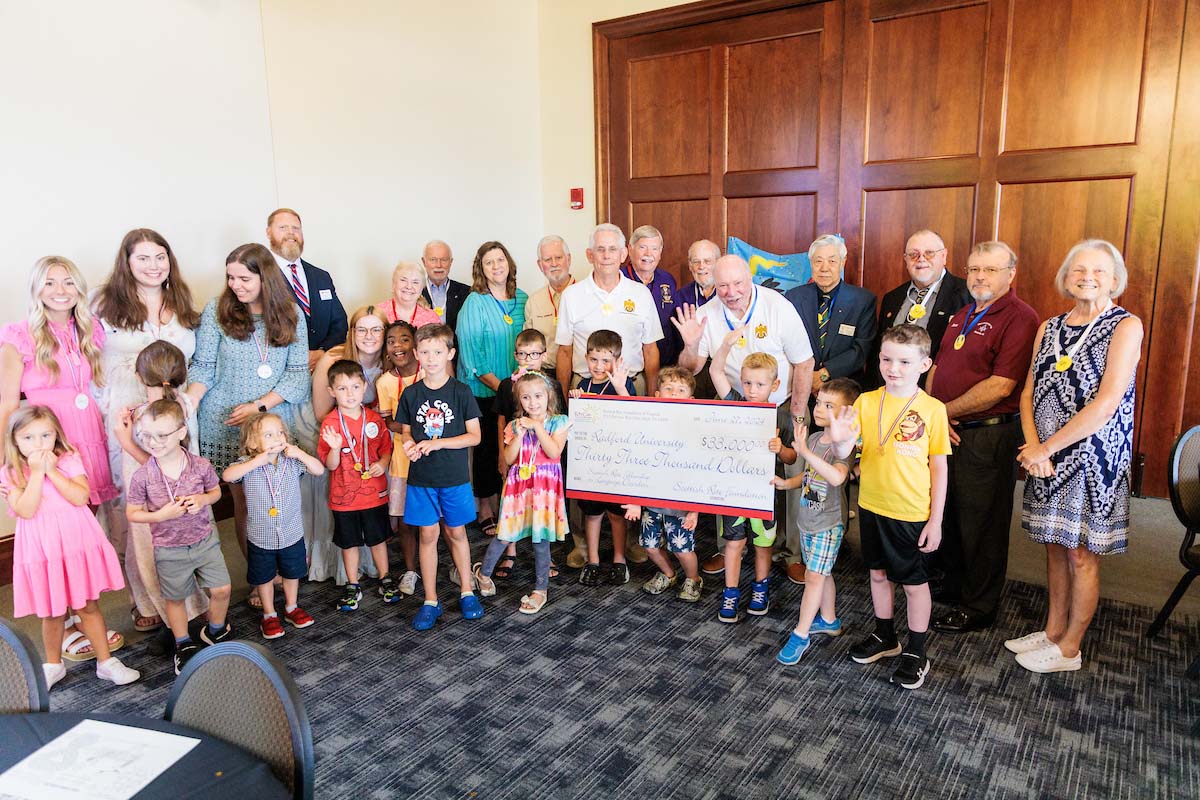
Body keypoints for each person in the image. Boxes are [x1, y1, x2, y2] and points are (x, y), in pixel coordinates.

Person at [1007, 240, 1141, 674]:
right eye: (1079, 269)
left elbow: (1105, 405)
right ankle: (1050, 631)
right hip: (1044, 458)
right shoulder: (1050, 326)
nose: (1088, 276)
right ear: (1065, 276)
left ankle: (1070, 647)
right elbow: (1028, 393)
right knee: (1053, 544)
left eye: (1099, 271)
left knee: (1081, 553)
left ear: (1115, 279)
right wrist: (1033, 449)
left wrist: (1046, 448)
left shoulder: (1125, 325)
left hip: (1092, 458)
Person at [1, 256, 123, 661]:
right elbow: (6, 403)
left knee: (80, 524)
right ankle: (66, 620)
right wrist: (9, 456)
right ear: (36, 288)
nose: (60, 290)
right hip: (44, 439)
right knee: (50, 531)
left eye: (68, 282)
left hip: (84, 436)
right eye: (50, 282)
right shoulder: (19, 337)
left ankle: (83, 609)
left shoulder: (89, 330)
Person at [826, 325, 950, 691]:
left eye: (904, 361)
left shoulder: (932, 409)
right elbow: (846, 452)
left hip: (911, 511)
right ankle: (885, 636)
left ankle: (916, 649)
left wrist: (936, 520)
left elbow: (939, 467)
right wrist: (839, 439)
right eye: (886, 359)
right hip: (872, 505)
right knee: (878, 574)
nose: (893, 368)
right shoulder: (865, 401)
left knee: (913, 583)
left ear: (924, 363)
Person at [674, 254, 814, 575]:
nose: (731, 291)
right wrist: (692, 345)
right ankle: (729, 548)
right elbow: (691, 369)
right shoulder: (707, 313)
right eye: (722, 285)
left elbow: (804, 363)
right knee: (730, 474)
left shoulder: (778, 307)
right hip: (736, 406)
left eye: (737, 283)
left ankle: (792, 554)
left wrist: (796, 414)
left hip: (782, 403)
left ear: (750, 280)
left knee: (793, 475)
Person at [927, 242, 1038, 634]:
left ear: (1011, 273)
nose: (978, 277)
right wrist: (933, 411)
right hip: (951, 431)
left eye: (989, 270)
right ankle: (956, 588)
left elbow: (1000, 385)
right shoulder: (963, 313)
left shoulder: (1021, 318)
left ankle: (979, 606)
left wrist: (942, 412)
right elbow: (937, 367)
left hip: (987, 436)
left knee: (982, 523)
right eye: (973, 269)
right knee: (954, 515)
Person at [93, 228, 200, 633]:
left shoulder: (184, 304)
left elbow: (199, 361)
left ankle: (190, 594)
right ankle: (144, 597)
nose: (154, 266)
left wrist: (190, 400)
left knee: (179, 496)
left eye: (160, 257)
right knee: (137, 506)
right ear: (127, 262)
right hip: (128, 416)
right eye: (143, 258)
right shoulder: (105, 306)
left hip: (177, 413)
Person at [3, 405, 140, 688]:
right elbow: (26, 509)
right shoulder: (12, 472)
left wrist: (52, 472)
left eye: (45, 435)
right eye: (28, 438)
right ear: (15, 440)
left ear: (56, 435)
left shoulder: (68, 458)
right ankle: (53, 665)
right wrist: (37, 474)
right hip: (44, 550)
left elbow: (79, 497)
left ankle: (106, 662)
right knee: (52, 612)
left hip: (76, 544)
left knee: (87, 606)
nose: (38, 444)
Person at [188, 244, 310, 558]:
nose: (235, 285)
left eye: (244, 278)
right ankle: (258, 576)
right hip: (224, 421)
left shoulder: (290, 313)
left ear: (264, 277)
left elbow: (297, 374)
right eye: (230, 278)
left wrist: (258, 406)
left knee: (277, 495)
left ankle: (284, 561)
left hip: (269, 423)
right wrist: (188, 402)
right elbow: (203, 365)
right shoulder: (217, 310)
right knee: (244, 501)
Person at [781, 234, 876, 584]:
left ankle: (833, 540)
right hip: (800, 396)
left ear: (843, 261)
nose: (824, 267)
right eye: (818, 261)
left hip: (839, 400)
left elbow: (861, 350)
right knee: (804, 461)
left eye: (831, 260)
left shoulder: (863, 299)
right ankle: (796, 550)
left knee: (838, 462)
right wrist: (806, 379)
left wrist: (824, 375)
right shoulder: (794, 297)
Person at [111, 341, 210, 641]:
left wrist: (126, 441)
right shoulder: (182, 407)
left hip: (152, 503)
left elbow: (160, 466)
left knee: (152, 559)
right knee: (185, 554)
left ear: (140, 378)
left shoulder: (147, 419)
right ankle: (192, 612)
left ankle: (173, 621)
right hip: (184, 499)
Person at [126, 399, 231, 675]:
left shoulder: (200, 465)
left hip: (204, 540)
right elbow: (133, 513)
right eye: (146, 435)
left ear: (182, 433)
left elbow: (216, 492)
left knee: (222, 589)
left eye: (162, 435)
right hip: (169, 548)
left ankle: (215, 630)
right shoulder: (143, 476)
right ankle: (183, 644)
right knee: (175, 600)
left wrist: (203, 499)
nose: (154, 442)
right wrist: (159, 516)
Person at [396, 324, 485, 630]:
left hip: (454, 478)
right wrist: (409, 446)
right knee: (428, 536)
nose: (431, 358)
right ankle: (430, 600)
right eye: (425, 352)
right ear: (417, 354)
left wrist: (438, 443)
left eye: (438, 352)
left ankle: (467, 591)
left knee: (457, 533)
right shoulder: (411, 394)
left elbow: (474, 436)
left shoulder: (461, 391)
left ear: (450, 354)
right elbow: (406, 433)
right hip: (422, 480)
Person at [772, 378, 861, 665]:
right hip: (808, 521)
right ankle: (830, 620)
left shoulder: (843, 447)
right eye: (819, 401)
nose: (819, 408)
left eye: (828, 405)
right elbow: (811, 476)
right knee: (821, 573)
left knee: (813, 578)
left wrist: (807, 453)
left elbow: (836, 477)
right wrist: (787, 484)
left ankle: (800, 635)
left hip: (828, 524)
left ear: (847, 412)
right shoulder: (813, 438)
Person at [709, 336, 796, 622]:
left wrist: (779, 448)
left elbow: (792, 458)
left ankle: (761, 589)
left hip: (765, 494)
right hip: (734, 491)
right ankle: (730, 592)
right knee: (733, 543)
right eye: (747, 383)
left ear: (774, 386)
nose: (752, 390)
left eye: (760, 384)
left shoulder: (781, 418)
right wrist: (725, 345)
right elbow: (714, 372)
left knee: (763, 544)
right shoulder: (735, 403)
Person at [473, 370, 571, 614]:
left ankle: (541, 590)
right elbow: (507, 457)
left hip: (544, 490)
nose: (533, 403)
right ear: (520, 402)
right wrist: (519, 433)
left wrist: (537, 427)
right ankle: (483, 574)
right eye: (526, 398)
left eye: (538, 396)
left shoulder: (559, 422)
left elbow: (553, 452)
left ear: (548, 396)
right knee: (504, 534)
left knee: (541, 539)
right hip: (519, 488)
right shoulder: (514, 425)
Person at [303, 305, 389, 584]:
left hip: (373, 444)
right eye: (361, 329)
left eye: (376, 329)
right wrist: (342, 441)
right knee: (346, 529)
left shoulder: (389, 361)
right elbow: (321, 413)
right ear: (352, 333)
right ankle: (346, 576)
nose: (369, 335)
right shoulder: (334, 359)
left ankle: (381, 572)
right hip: (339, 445)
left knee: (376, 528)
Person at [223, 412, 325, 640]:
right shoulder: (247, 466)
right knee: (264, 576)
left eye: (280, 432)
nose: (277, 438)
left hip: (291, 533)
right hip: (261, 536)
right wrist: (255, 461)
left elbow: (318, 469)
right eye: (268, 435)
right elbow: (228, 475)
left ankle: (291, 607)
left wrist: (298, 452)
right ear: (252, 442)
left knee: (292, 573)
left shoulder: (292, 462)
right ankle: (269, 614)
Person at [455, 241, 528, 534]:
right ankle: (485, 507)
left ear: (509, 263)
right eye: (489, 262)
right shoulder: (474, 302)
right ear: (480, 269)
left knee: (517, 449)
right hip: (484, 391)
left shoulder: (523, 299)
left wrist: (520, 390)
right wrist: (505, 391)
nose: (496, 266)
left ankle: (511, 506)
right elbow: (473, 358)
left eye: (500, 260)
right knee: (487, 451)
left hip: (519, 392)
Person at [317, 359, 395, 612]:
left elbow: (386, 450)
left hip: (374, 494)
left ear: (364, 387)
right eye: (342, 388)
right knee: (348, 542)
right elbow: (329, 465)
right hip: (344, 497)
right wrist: (336, 447)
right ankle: (352, 584)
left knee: (378, 539)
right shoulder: (330, 423)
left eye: (354, 387)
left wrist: (382, 464)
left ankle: (385, 577)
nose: (349, 394)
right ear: (331, 391)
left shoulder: (373, 418)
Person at [622, 366, 703, 603]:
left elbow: (701, 473)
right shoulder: (649, 427)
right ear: (657, 395)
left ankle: (693, 578)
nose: (674, 394)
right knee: (649, 546)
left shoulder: (695, 432)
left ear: (691, 399)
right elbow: (640, 463)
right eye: (669, 389)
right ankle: (668, 573)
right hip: (651, 504)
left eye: (680, 390)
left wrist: (695, 510)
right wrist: (636, 501)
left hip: (681, 506)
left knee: (682, 549)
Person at [556, 223, 663, 397]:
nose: (606, 256)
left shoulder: (641, 293)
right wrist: (562, 400)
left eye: (613, 249)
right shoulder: (571, 295)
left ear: (623, 254)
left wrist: (651, 397)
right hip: (584, 389)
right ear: (590, 255)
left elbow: (650, 349)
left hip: (631, 387)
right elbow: (564, 351)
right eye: (600, 249)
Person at [493, 329, 567, 578]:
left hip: (544, 465)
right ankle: (510, 552)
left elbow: (558, 419)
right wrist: (501, 459)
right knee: (512, 509)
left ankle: (546, 559)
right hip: (516, 458)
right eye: (522, 354)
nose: (528, 359)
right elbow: (502, 421)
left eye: (534, 354)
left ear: (544, 355)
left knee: (540, 509)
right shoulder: (507, 385)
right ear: (515, 355)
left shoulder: (552, 384)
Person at [572, 329, 637, 588]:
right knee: (592, 513)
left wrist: (621, 388)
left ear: (618, 361)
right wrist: (575, 399)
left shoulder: (623, 383)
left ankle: (620, 560)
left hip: (617, 463)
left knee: (616, 514)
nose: (599, 366)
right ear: (586, 358)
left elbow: (634, 415)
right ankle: (594, 561)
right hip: (591, 464)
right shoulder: (583, 385)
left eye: (606, 360)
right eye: (594, 359)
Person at [869, 229, 970, 388]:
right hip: (891, 391)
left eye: (929, 253)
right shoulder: (892, 298)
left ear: (943, 256)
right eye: (913, 254)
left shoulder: (966, 295)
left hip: (937, 394)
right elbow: (877, 351)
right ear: (905, 259)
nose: (921, 259)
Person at [267, 208, 348, 371]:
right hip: (281, 371)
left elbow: (340, 323)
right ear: (268, 233)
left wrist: (321, 352)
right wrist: (299, 357)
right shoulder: (260, 277)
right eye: (283, 228)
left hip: (324, 368)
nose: (291, 233)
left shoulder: (321, 276)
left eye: (296, 228)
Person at [377, 320, 422, 597]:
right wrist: (413, 429)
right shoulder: (385, 382)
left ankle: (452, 564)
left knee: (441, 519)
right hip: (402, 460)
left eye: (404, 339)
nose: (397, 346)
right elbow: (388, 422)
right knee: (405, 520)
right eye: (391, 341)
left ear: (415, 344)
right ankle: (410, 569)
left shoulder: (430, 372)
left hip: (433, 458)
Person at [623, 225, 681, 366]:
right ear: (630, 250)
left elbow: (674, 322)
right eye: (643, 247)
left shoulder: (667, 280)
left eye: (654, 249)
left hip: (665, 364)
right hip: (629, 367)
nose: (649, 254)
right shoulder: (619, 280)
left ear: (660, 253)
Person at [523, 234, 576, 369]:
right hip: (545, 374)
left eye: (558, 257)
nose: (554, 264)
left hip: (580, 375)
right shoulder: (533, 301)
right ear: (540, 265)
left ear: (568, 259)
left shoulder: (585, 295)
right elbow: (528, 345)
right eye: (547, 259)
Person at [419, 240, 471, 331]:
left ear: (451, 262)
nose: (439, 265)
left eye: (444, 260)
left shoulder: (467, 293)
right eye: (433, 260)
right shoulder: (415, 292)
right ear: (424, 262)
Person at [378, 261, 442, 329]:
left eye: (415, 282)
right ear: (394, 283)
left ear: (422, 288)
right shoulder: (378, 313)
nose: (409, 286)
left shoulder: (431, 318)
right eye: (403, 280)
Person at [677, 239, 720, 309]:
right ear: (690, 266)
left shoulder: (730, 292)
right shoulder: (681, 296)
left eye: (707, 261)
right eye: (696, 261)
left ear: (718, 263)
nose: (701, 267)